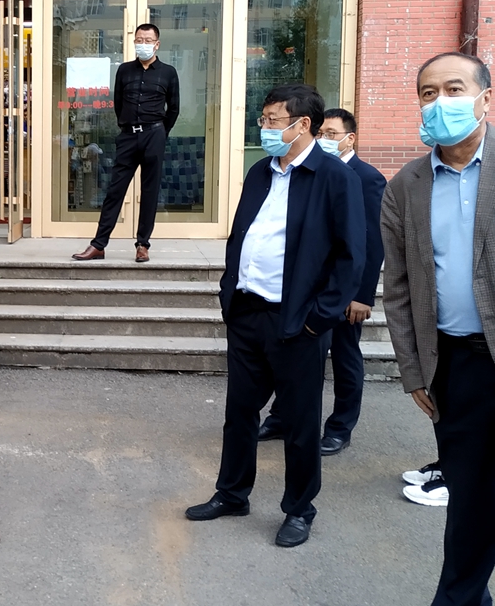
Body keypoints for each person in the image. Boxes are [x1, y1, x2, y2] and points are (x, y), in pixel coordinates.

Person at [185, 84, 365, 548]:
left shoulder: (333, 177)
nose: (263, 128)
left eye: (271, 120)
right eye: (263, 119)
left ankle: (299, 509)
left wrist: (318, 318)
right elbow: (242, 234)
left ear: (302, 124)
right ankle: (232, 494)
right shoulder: (260, 172)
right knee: (239, 413)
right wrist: (229, 292)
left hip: (298, 321)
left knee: (300, 425)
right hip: (247, 312)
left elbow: (351, 256)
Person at [382, 52, 495, 605]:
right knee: (470, 497)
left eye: (453, 89)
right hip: (456, 365)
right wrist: (413, 370)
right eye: (428, 93)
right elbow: (399, 287)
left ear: (485, 100)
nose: (439, 102)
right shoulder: (406, 185)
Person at [258, 108, 387, 455]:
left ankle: (340, 427)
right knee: (293, 358)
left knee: (345, 359)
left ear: (350, 138)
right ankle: (281, 416)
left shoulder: (367, 178)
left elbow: (370, 241)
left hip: (344, 293)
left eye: (332, 134)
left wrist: (362, 295)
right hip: (307, 289)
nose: (325, 140)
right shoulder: (309, 171)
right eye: (322, 134)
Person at [73, 23, 180, 264]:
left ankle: (143, 245)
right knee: (115, 190)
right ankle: (98, 245)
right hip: (128, 136)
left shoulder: (168, 72)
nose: (143, 44)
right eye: (139, 40)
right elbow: (118, 104)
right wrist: (127, 127)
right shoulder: (124, 70)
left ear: (157, 44)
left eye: (148, 40)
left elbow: (173, 108)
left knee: (150, 192)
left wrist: (161, 132)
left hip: (154, 134)